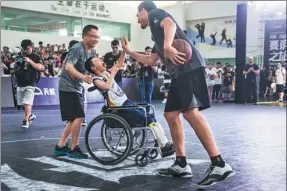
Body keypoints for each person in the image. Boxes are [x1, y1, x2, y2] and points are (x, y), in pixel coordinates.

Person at [120, 1, 235, 188]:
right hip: (178, 73)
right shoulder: (156, 35)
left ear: (144, 11)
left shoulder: (155, 13)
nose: (137, 17)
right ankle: (181, 164)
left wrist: (167, 46)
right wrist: (129, 52)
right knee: (171, 114)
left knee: (191, 113)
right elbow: (150, 60)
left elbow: (170, 23)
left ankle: (219, 164)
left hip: (188, 67)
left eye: (137, 13)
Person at [84, 51, 174, 157]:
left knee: (151, 117)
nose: (101, 60)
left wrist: (124, 50)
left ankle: (164, 143)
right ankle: (164, 145)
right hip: (119, 108)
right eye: (97, 60)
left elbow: (120, 64)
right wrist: (113, 73)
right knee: (148, 120)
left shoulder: (107, 72)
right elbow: (107, 87)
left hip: (126, 102)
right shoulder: (96, 80)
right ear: (93, 67)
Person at [53, 25, 98, 159]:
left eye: (97, 37)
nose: (96, 39)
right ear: (85, 36)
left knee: (73, 118)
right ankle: (74, 148)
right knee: (79, 116)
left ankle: (60, 146)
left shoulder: (91, 52)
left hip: (77, 87)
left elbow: (92, 68)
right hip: (67, 86)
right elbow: (68, 67)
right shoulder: (77, 48)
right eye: (93, 36)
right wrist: (83, 77)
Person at [14, 39, 44, 128]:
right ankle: (30, 115)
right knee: (20, 104)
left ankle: (26, 120)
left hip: (30, 82)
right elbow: (15, 67)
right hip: (20, 82)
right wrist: (17, 63)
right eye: (24, 49)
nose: (26, 50)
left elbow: (40, 67)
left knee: (27, 103)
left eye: (27, 48)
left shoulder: (36, 56)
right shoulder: (20, 56)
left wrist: (30, 61)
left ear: (31, 47)